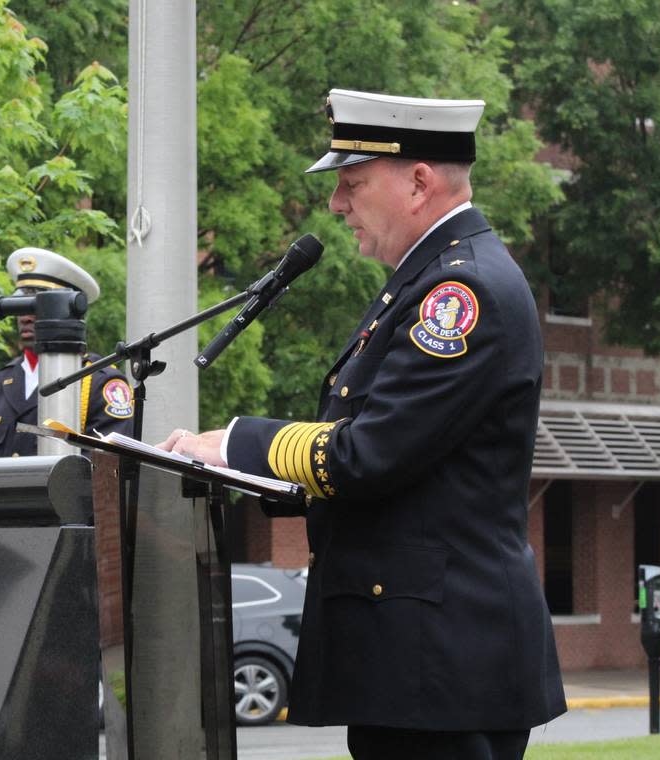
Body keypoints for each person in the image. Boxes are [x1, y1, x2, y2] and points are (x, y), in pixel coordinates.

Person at [162, 89, 566, 759]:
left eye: (352, 183)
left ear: (417, 182)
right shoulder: (427, 282)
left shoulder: (460, 296)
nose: (336, 204)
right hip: (420, 661)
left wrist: (233, 443)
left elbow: (367, 454)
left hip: (438, 664)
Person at [0, 248, 134, 458]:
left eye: (35, 306)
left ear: (67, 312)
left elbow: (106, 473)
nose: (24, 317)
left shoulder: (99, 384)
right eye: (18, 306)